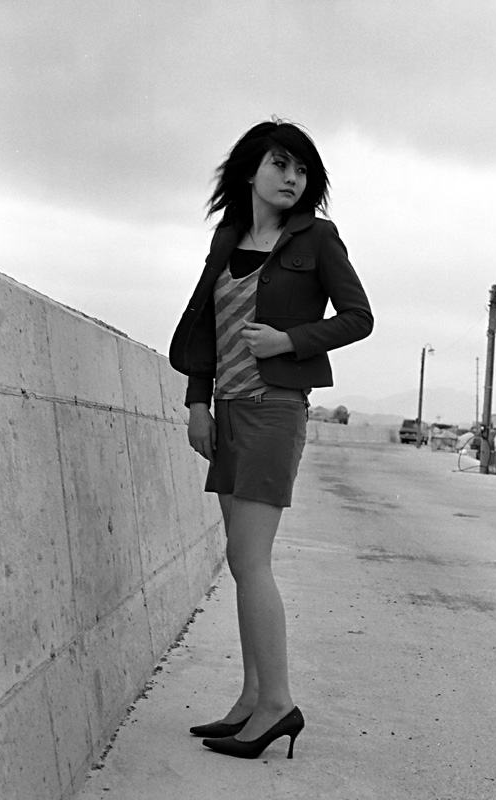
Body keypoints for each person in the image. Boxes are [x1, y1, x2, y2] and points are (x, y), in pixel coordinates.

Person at [169, 119, 373, 759]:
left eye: (302, 169)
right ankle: (252, 697)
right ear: (250, 171)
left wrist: (289, 340)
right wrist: (198, 403)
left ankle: (279, 704)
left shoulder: (317, 239)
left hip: (274, 410)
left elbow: (359, 318)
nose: (292, 178)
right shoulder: (227, 239)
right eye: (281, 165)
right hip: (227, 413)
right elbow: (206, 330)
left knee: (250, 559)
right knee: (240, 561)